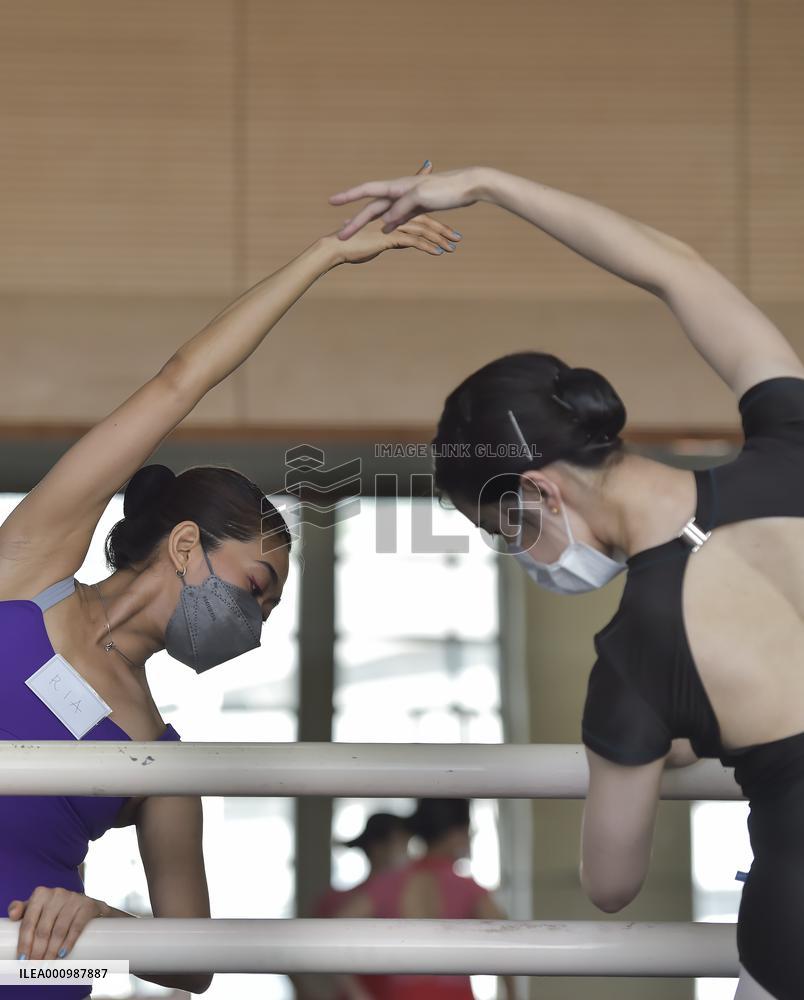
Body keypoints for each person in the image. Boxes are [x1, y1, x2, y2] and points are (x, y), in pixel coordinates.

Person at [330, 165, 804, 1000]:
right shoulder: (792, 441)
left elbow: (610, 882)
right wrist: (488, 182)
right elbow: (677, 267)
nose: (521, 555)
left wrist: (654, 738)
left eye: (506, 531)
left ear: (540, 492)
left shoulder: (636, 655)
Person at [0, 161, 460, 998]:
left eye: (269, 610)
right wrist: (324, 256)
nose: (255, 623)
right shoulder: (26, 571)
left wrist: (99, 919)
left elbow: (194, 961)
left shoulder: (157, 751)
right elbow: (179, 382)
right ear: (186, 546)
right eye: (256, 588)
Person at [335, 800, 518, 1000]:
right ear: (455, 834)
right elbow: (508, 944)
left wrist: (359, 996)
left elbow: (334, 933)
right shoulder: (469, 889)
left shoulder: (390, 883)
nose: (469, 837)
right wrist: (512, 995)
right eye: (468, 831)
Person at [293, 812, 411, 1000]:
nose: (407, 853)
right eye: (402, 843)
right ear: (378, 847)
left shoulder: (407, 896)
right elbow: (299, 957)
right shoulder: (335, 900)